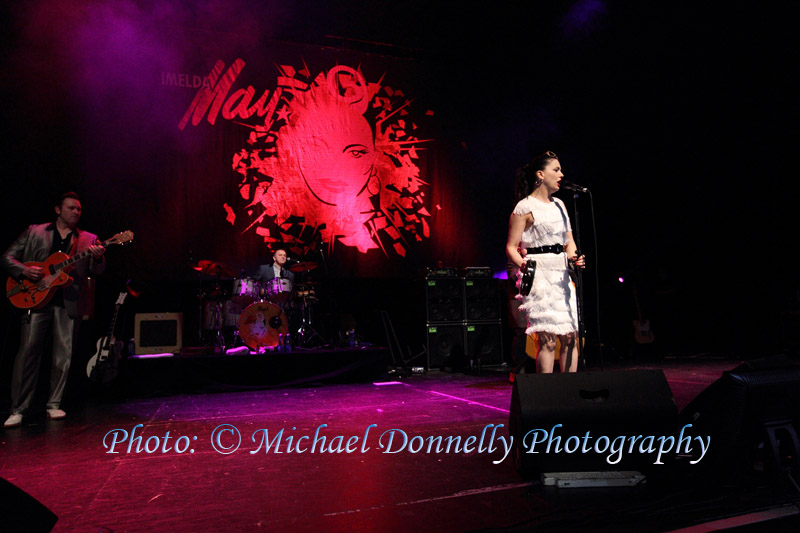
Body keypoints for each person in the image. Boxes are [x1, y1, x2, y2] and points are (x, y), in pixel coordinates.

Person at [2, 192, 105, 427]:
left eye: (79, 209)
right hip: (35, 299)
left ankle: (54, 405)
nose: (76, 212)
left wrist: (98, 259)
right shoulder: (34, 231)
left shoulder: (89, 238)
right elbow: (7, 258)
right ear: (58, 210)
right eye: (71, 208)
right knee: (27, 354)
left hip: (67, 302)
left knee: (63, 356)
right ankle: (18, 408)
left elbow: (96, 272)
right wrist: (24, 271)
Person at [506, 151, 585, 374]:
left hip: (561, 275)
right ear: (541, 174)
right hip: (539, 274)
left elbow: (568, 242)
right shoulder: (525, 207)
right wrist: (522, 264)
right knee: (548, 340)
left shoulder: (560, 205)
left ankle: (570, 392)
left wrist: (575, 257)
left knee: (570, 337)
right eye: (556, 170)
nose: (561, 174)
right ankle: (548, 395)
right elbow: (511, 246)